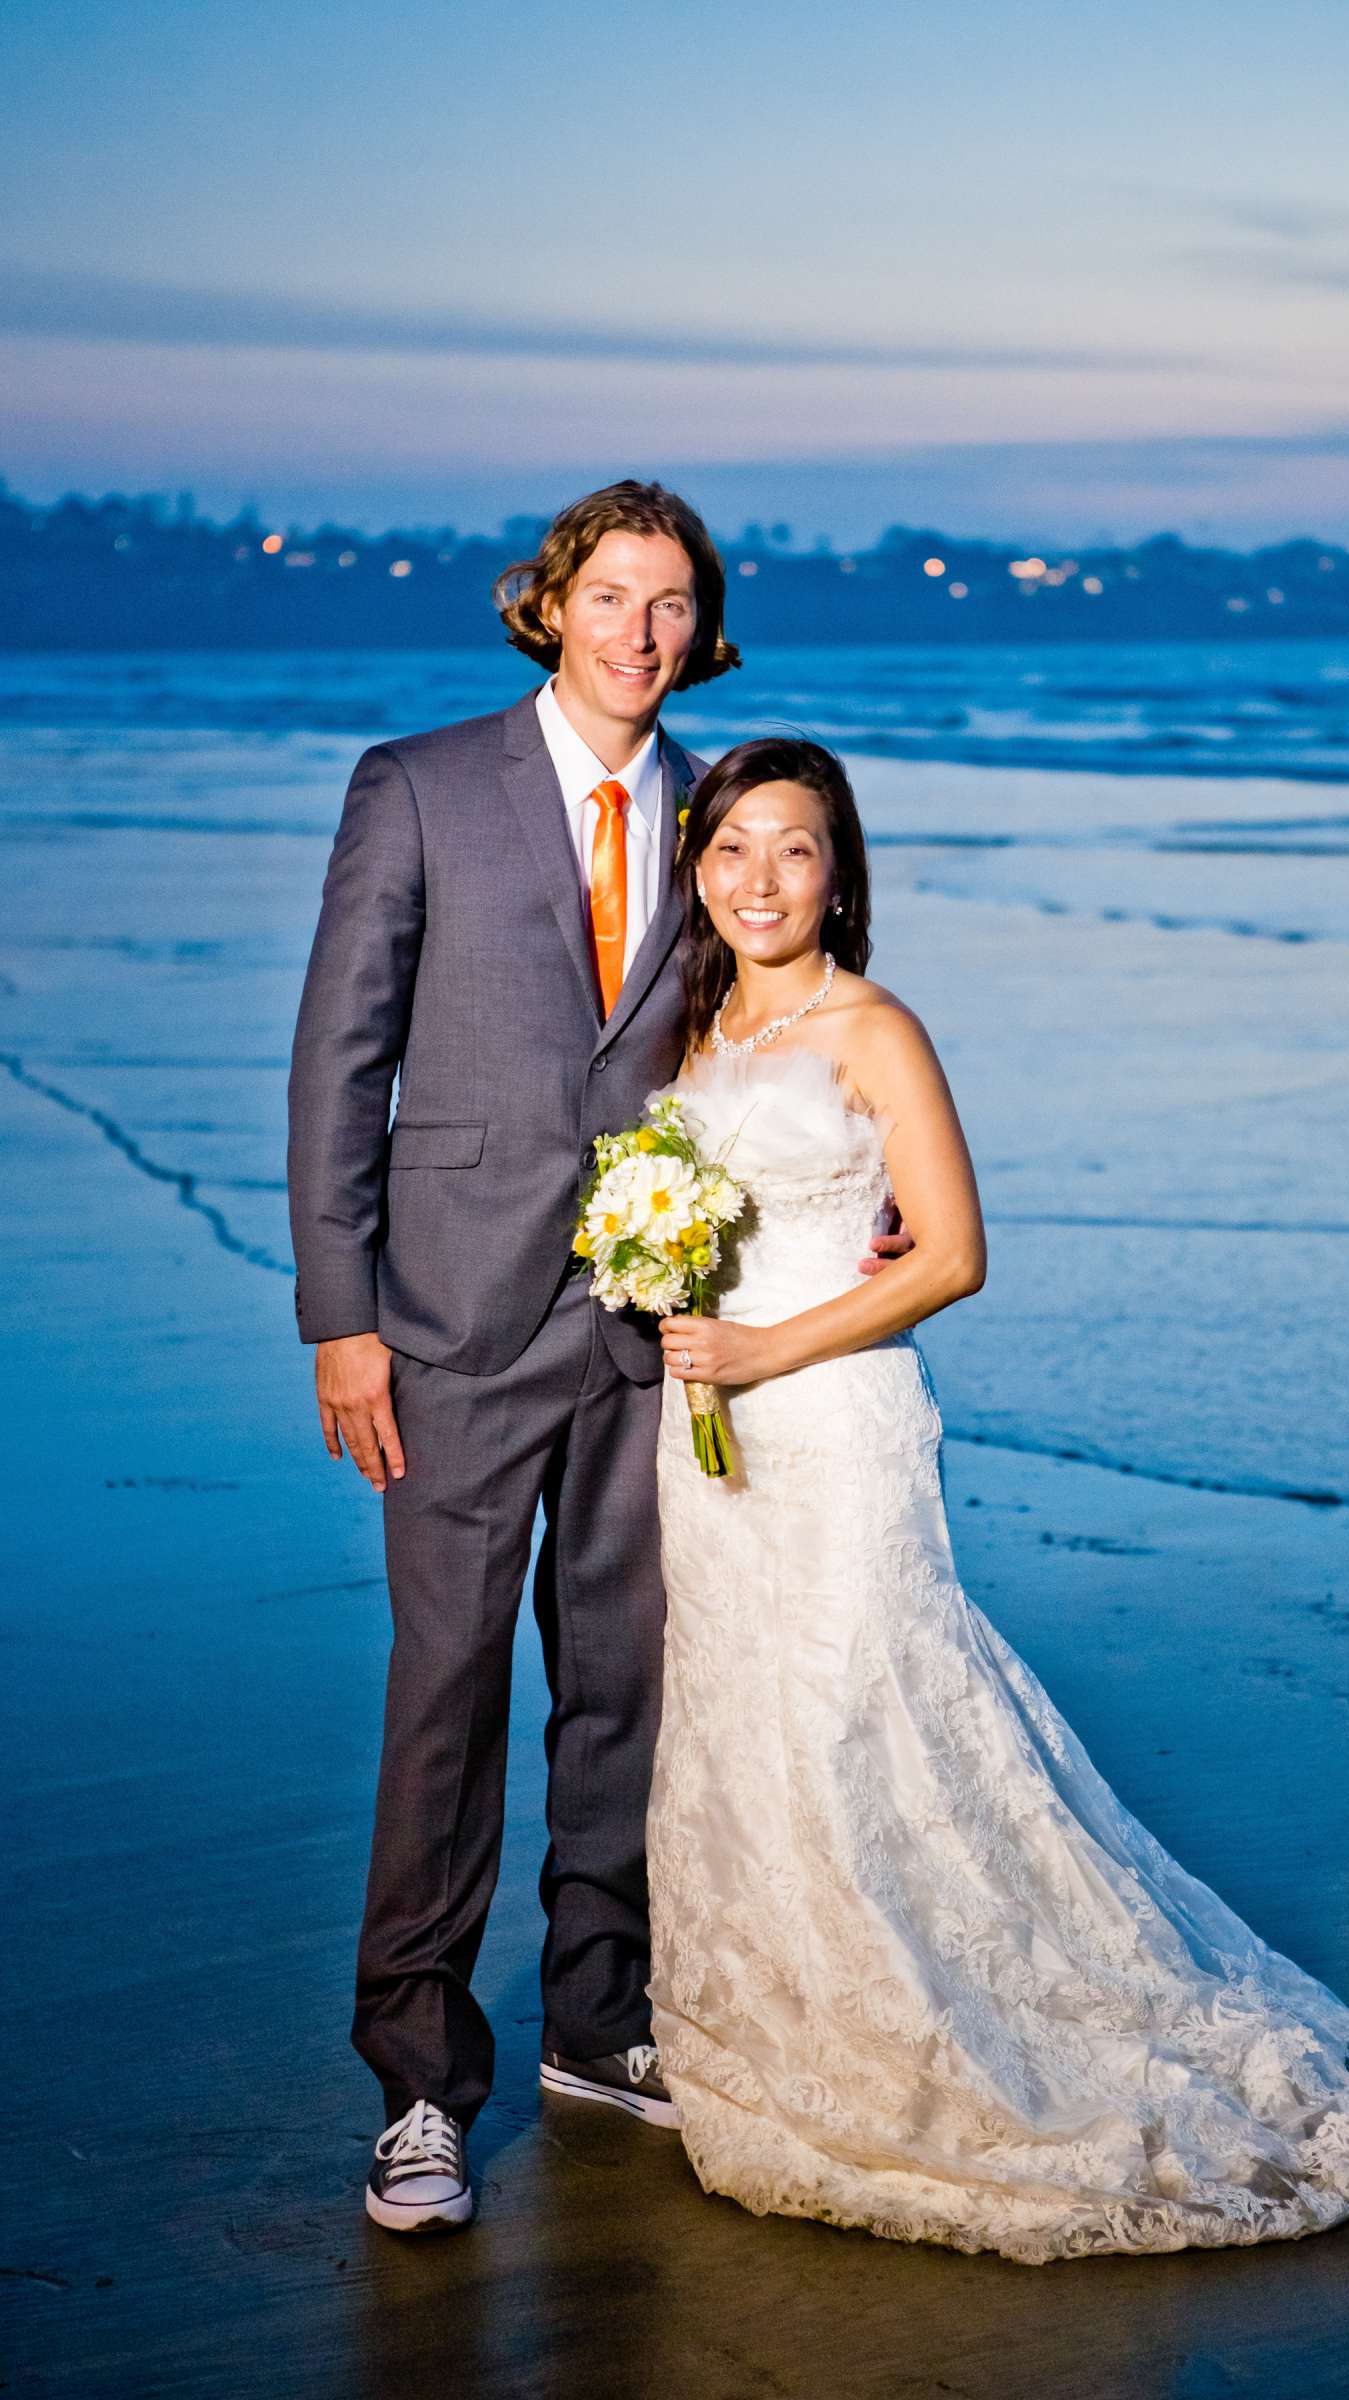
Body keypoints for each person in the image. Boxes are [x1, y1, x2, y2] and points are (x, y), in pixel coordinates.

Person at [645, 735, 1349, 2265]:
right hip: (709, 1447)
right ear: (697, 865)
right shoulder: (693, 1026)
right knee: (743, 1721)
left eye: (798, 848)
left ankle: (925, 2041)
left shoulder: (875, 1030)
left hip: (831, 1423)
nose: (762, 878)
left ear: (843, 874)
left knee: (860, 1714)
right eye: (734, 847)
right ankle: (776, 2030)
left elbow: (953, 1256)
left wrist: (764, 1345)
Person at [286, 485, 910, 2234]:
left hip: (654, 1335)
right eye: (611, 596)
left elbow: (787, 1012)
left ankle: (595, 2019)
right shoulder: (415, 787)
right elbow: (340, 1064)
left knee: (629, 1693)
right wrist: (341, 1318)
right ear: (552, 608)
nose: (640, 631)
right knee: (447, 1699)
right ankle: (418, 2082)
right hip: (452, 1329)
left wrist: (851, 1198)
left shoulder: (720, 815)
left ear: (698, 628)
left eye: (673, 604)